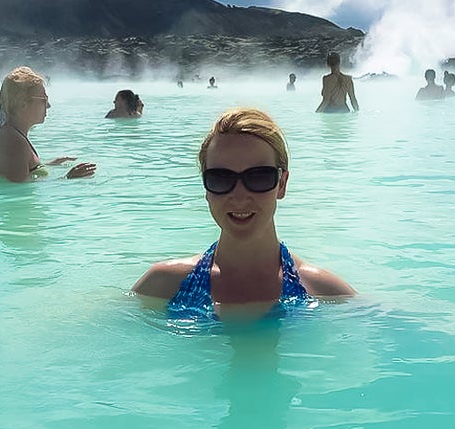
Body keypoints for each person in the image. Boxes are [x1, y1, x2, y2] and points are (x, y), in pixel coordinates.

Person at [132, 107, 355, 319]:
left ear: (282, 184)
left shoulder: (325, 293)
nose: (239, 196)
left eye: (258, 177)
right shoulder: (162, 285)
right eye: (221, 178)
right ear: (206, 188)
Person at [0, 66, 96, 182]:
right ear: (23, 104)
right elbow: (16, 191)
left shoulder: (8, 134)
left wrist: (48, 165)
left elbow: (15, 171)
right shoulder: (13, 142)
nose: (48, 105)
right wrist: (67, 179)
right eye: (44, 99)